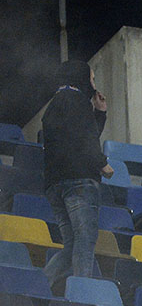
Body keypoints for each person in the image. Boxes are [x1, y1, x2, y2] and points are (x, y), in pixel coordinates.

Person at [41, 60, 114, 287]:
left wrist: (99, 114)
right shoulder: (77, 101)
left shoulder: (54, 104)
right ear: (80, 78)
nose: (93, 84)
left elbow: (82, 135)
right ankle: (83, 295)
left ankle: (38, 286)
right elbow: (86, 138)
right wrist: (102, 163)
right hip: (79, 182)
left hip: (55, 185)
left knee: (71, 245)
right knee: (85, 240)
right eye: (91, 79)